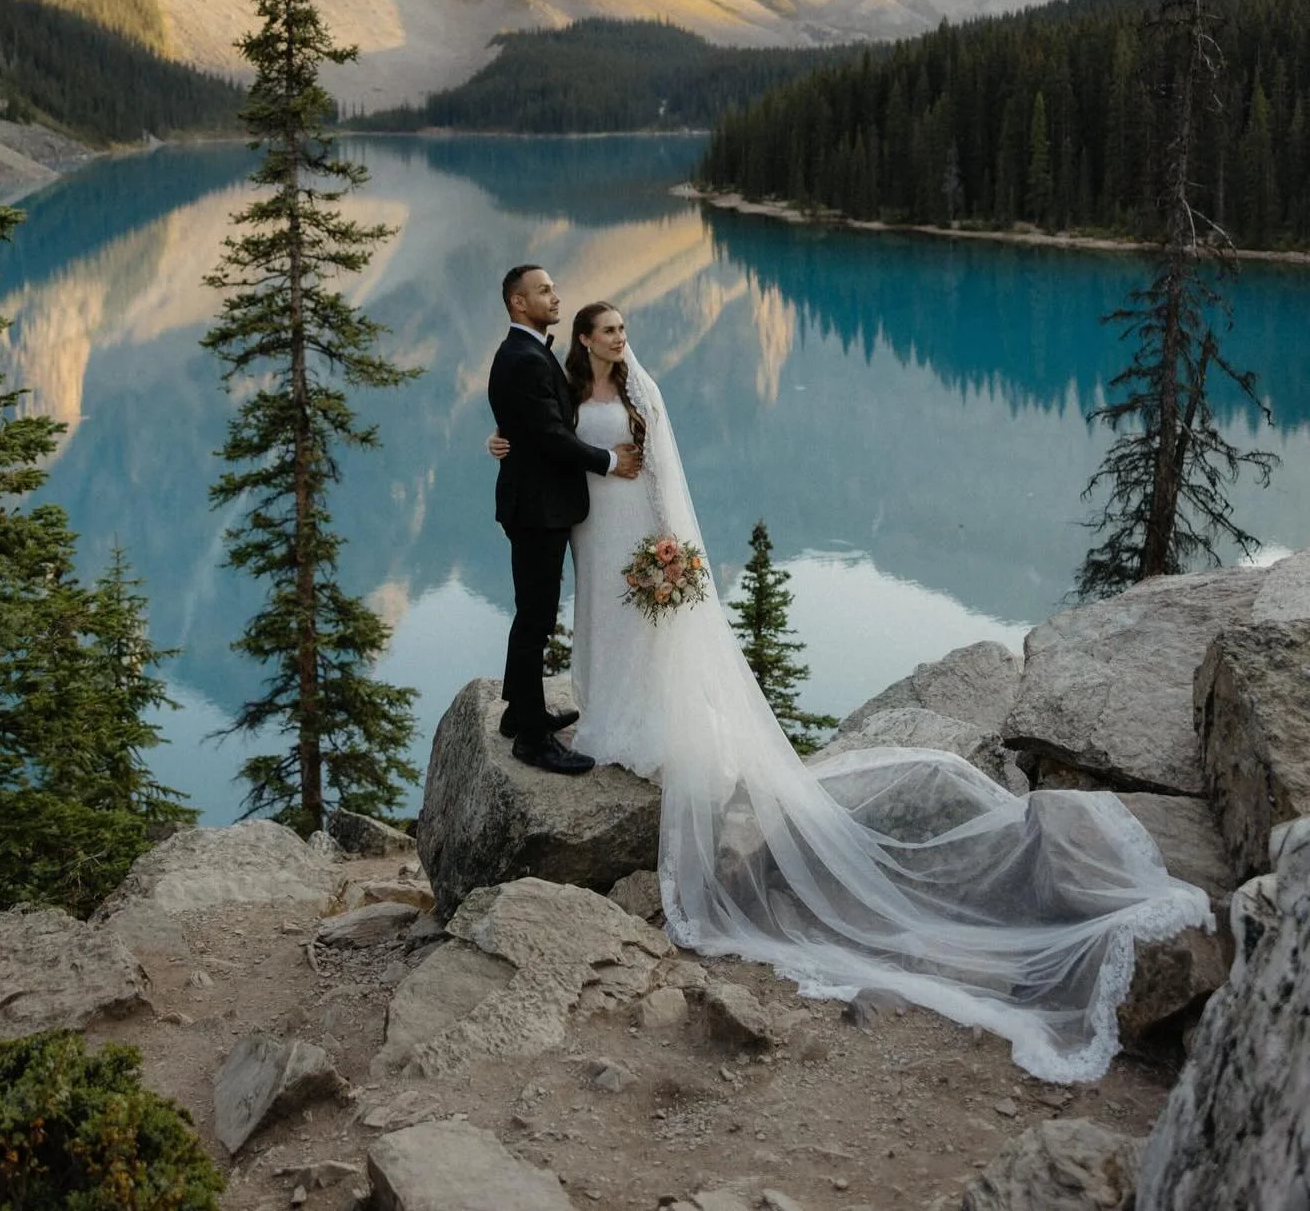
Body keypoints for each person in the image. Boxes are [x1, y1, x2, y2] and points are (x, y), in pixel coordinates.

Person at [489, 299, 1214, 1083]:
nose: (617, 340)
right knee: (599, 620)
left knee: (642, 629)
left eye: (622, 330)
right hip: (593, 532)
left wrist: (671, 542)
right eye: (607, 332)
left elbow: (661, 467)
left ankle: (643, 722)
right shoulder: (563, 378)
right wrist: (508, 441)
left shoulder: (639, 391)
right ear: (585, 342)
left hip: (637, 525)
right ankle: (603, 710)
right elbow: (545, 432)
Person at [487, 265, 642, 775]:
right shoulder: (525, 356)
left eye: (554, 288)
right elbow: (551, 435)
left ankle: (520, 712)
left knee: (534, 613)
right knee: (535, 618)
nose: (555, 297)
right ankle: (531, 740)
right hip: (537, 509)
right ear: (517, 301)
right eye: (544, 291)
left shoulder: (529, 351)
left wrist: (502, 437)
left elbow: (528, 424)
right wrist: (609, 461)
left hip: (537, 503)